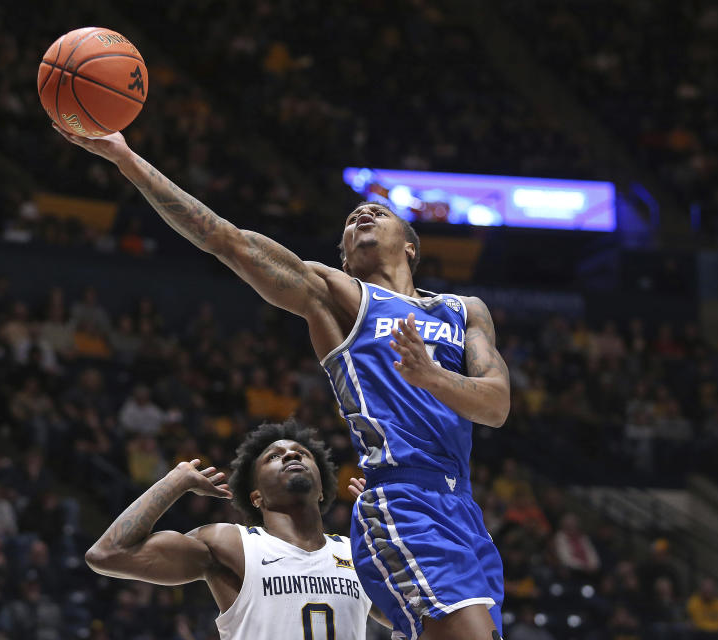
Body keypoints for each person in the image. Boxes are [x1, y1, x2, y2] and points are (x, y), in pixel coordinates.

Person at [59, 123, 510, 639]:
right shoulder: (337, 298)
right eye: (351, 219)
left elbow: (495, 407)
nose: (363, 213)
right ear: (344, 256)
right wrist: (126, 160)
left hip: (462, 509)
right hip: (404, 499)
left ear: (410, 246)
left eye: (379, 212)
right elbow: (225, 240)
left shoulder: (464, 310)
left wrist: (430, 375)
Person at [84, 419, 385, 639]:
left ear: (321, 489)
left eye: (302, 453)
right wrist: (177, 480)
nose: (292, 455)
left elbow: (421, 620)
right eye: (274, 457)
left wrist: (395, 534)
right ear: (256, 497)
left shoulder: (357, 553)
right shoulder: (231, 544)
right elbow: (108, 554)